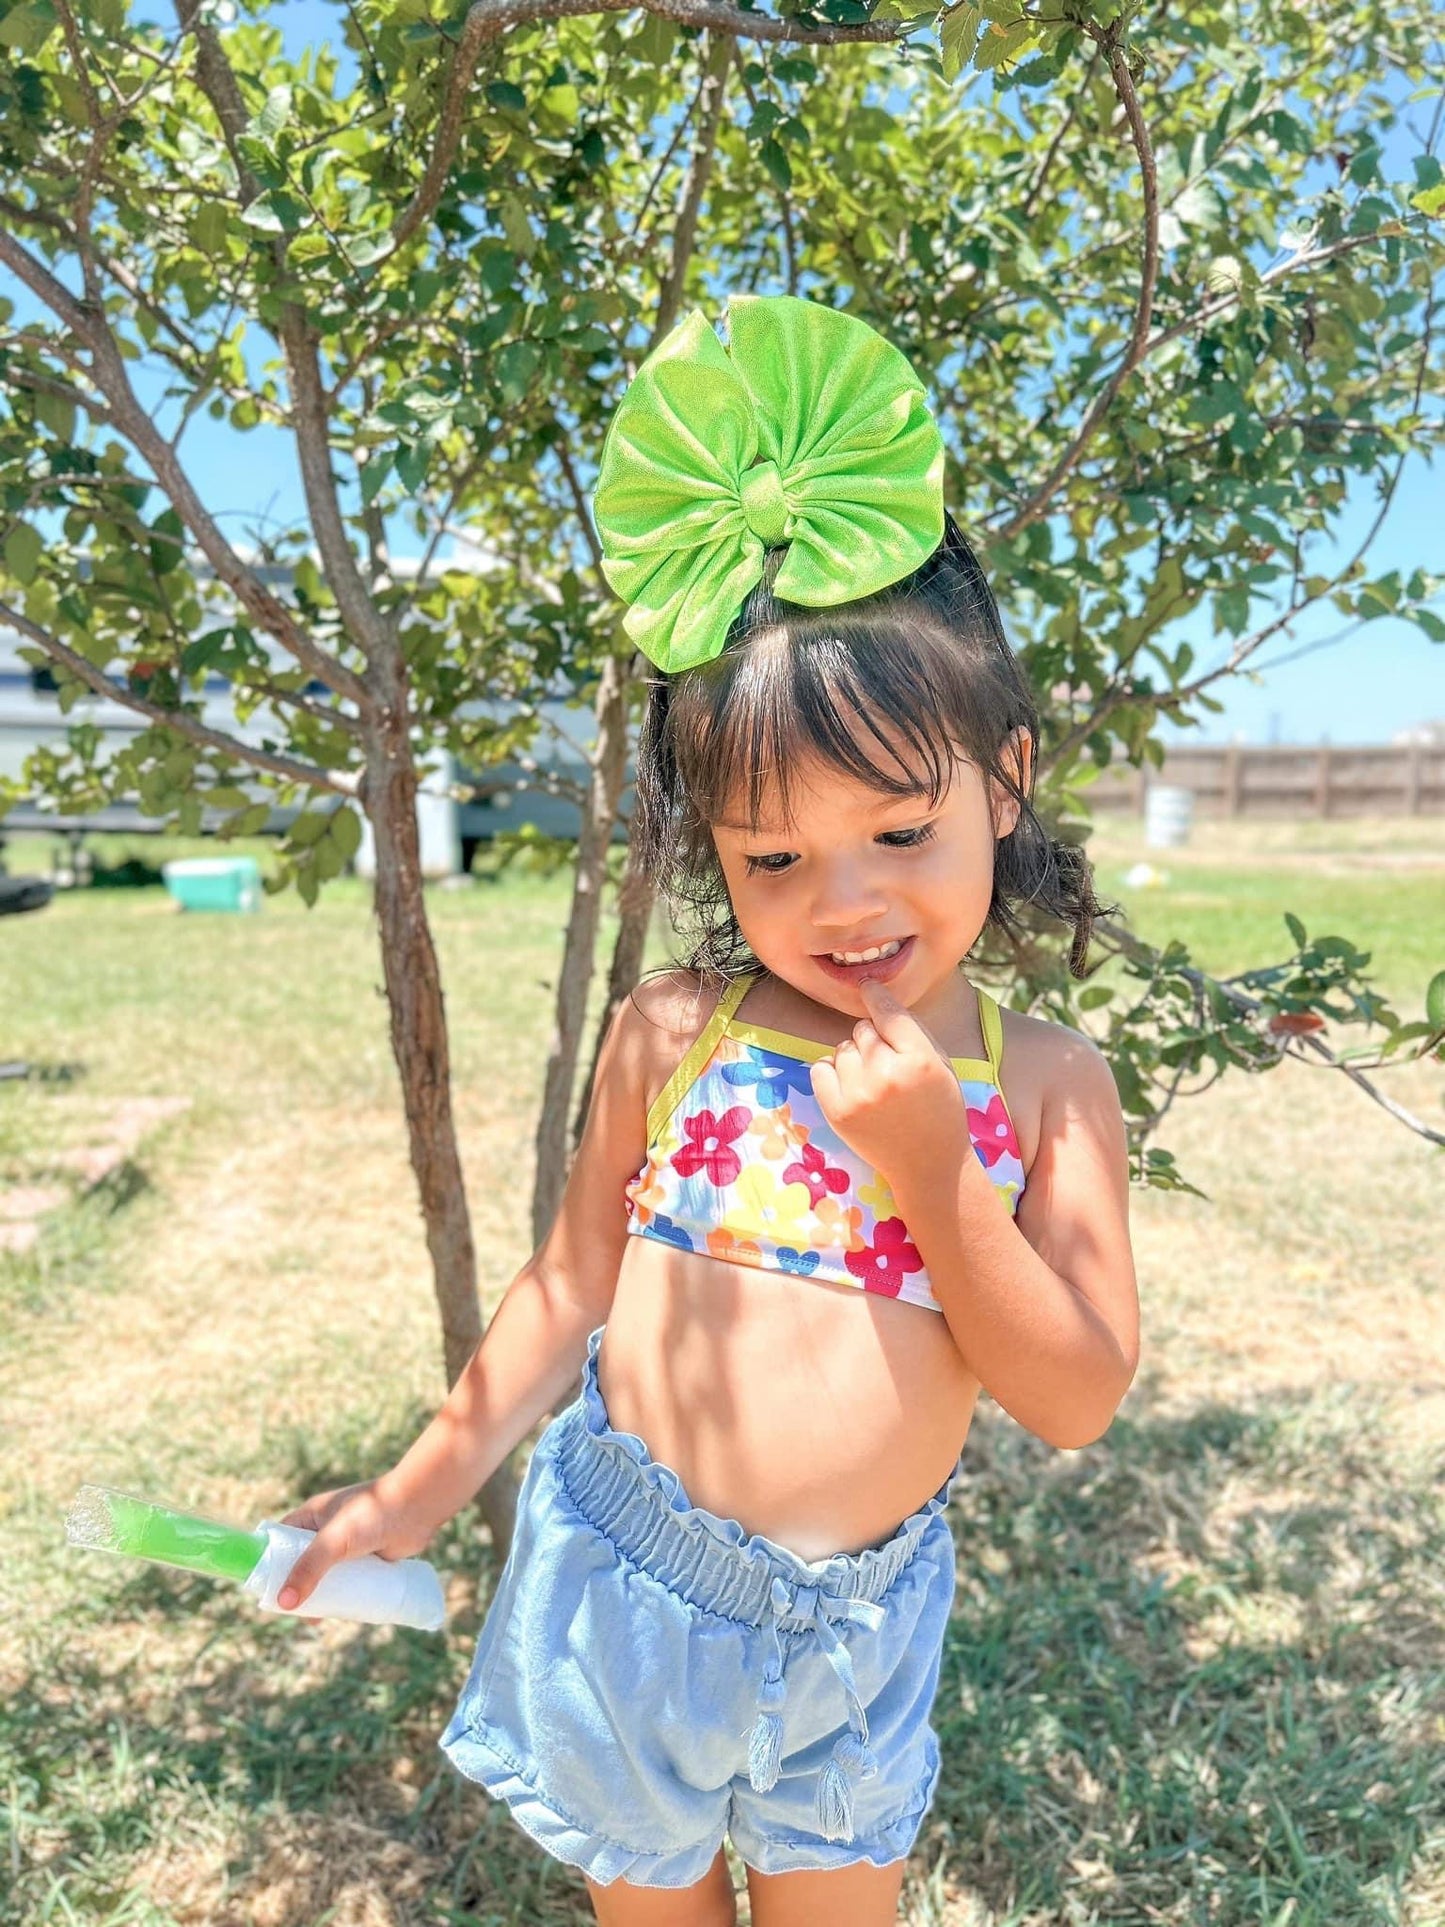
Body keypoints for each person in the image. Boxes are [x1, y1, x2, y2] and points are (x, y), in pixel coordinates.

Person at [275, 293, 1140, 1927]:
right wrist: (407, 1494)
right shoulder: (677, 1032)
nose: (845, 900)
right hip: (622, 1592)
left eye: (897, 830)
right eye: (772, 858)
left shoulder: (1040, 1084)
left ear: (1002, 778)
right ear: (713, 852)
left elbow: (1078, 1392)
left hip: (853, 1633)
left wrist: (939, 1181)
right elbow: (567, 1291)